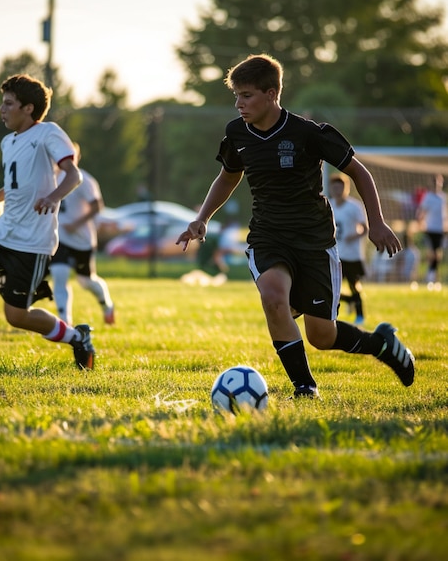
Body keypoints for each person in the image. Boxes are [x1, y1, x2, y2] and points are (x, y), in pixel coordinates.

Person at [177, 54, 414, 398]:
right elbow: (228, 177)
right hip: (268, 235)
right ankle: (305, 387)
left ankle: (381, 344)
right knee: (273, 298)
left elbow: (359, 173)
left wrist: (376, 223)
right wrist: (202, 218)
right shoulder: (236, 133)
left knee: (322, 336)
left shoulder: (306, 133)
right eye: (236, 96)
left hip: (314, 239)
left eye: (247, 95)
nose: (239, 104)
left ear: (272, 93)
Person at [0, 74, 96, 375]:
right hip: (3, 234)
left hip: (33, 242)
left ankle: (76, 336)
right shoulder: (8, 142)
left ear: (28, 108)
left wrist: (53, 196)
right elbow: (14, 186)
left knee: (15, 316)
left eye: (8, 104)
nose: (2, 110)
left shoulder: (48, 133)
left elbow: (73, 175)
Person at [51, 142, 115, 326]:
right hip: (60, 238)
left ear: (76, 157)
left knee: (86, 281)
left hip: (81, 240)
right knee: (59, 273)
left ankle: (106, 305)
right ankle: (65, 322)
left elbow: (97, 206)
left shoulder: (84, 180)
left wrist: (75, 224)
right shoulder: (51, 178)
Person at [328, 173, 368, 325]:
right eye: (335, 187)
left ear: (346, 188)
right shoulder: (328, 205)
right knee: (331, 289)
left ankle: (360, 315)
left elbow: (365, 228)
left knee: (354, 285)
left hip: (352, 255)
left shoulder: (354, 207)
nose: (338, 190)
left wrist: (354, 236)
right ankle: (344, 307)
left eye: (341, 187)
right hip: (334, 254)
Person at [416, 174, 447, 289]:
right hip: (429, 229)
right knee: (432, 253)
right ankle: (429, 276)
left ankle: (433, 275)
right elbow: (421, 212)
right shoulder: (428, 197)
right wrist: (420, 224)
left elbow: (444, 213)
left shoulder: (442, 197)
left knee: (437, 253)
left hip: (439, 230)